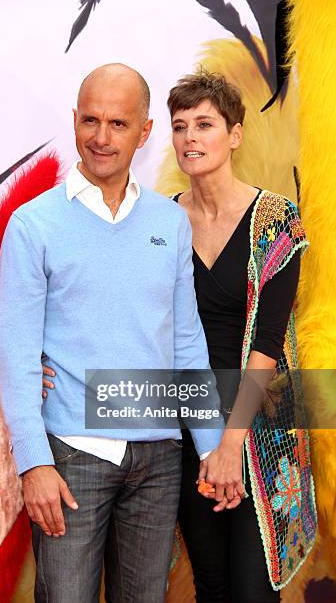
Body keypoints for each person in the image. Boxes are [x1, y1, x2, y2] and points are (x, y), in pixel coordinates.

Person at [0, 63, 229, 603]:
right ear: (75, 120)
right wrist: (33, 462)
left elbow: (186, 339)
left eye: (119, 124)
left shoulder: (167, 222)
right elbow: (16, 353)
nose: (101, 138)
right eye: (91, 121)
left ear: (144, 132)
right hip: (71, 457)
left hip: (159, 460)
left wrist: (212, 444)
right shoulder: (33, 225)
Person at [167, 70, 317, 602]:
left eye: (204, 124)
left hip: (259, 427)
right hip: (185, 421)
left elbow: (269, 343)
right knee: (209, 583)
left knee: (254, 589)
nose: (190, 138)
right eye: (180, 126)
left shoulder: (275, 218)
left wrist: (230, 444)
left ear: (234, 134)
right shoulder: (160, 221)